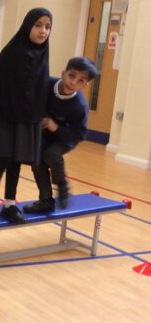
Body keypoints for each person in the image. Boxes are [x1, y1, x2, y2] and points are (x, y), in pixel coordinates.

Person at [0, 7, 53, 224]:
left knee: (17, 160)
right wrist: (1, 109)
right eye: (38, 25)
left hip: (28, 117)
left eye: (48, 27)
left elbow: (40, 87)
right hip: (6, 114)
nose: (43, 31)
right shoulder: (12, 51)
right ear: (28, 26)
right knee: (3, 158)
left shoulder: (43, 54)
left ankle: (9, 204)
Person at [23, 56, 97, 213]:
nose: (73, 82)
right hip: (45, 133)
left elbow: (79, 134)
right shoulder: (47, 85)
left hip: (67, 137)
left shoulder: (79, 106)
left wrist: (55, 127)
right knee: (37, 160)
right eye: (71, 76)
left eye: (80, 80)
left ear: (85, 85)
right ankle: (46, 201)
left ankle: (62, 185)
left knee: (51, 154)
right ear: (63, 73)